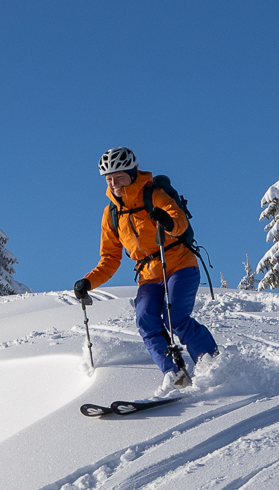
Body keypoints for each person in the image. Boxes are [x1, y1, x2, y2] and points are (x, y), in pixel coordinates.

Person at [73, 146, 217, 389]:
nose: (114, 183)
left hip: (179, 264)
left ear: (132, 172)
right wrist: (88, 282)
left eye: (119, 177)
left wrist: (168, 221)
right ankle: (176, 375)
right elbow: (109, 258)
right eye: (109, 179)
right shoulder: (111, 215)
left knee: (176, 318)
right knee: (145, 318)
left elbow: (179, 222)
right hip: (148, 275)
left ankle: (213, 366)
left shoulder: (154, 195)